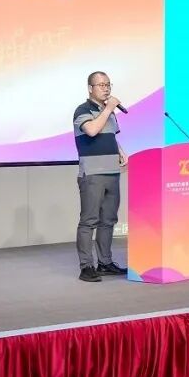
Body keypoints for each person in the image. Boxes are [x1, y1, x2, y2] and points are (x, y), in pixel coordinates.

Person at [73, 71, 128, 282]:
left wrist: (121, 151)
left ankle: (105, 262)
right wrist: (109, 108)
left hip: (112, 172)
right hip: (92, 174)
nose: (106, 88)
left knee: (108, 220)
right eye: (101, 85)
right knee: (89, 221)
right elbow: (93, 130)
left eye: (108, 85)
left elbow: (110, 136)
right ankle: (86, 266)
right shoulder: (82, 110)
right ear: (90, 88)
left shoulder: (109, 112)